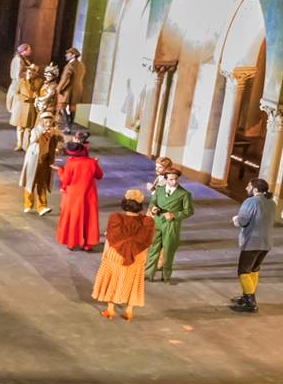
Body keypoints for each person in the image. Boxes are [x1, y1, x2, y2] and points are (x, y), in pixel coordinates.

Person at [92, 189, 156, 321]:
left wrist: (106, 253)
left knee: (113, 279)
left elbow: (112, 238)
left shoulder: (116, 218)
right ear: (140, 205)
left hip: (116, 254)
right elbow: (146, 241)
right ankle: (129, 311)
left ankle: (110, 310)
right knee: (133, 281)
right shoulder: (148, 221)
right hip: (136, 257)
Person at [231, 177, 278, 313]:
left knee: (243, 271)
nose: (246, 188)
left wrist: (236, 219)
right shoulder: (272, 203)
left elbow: (243, 221)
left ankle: (250, 301)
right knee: (254, 270)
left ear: (255, 189)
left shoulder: (251, 201)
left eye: (248, 186)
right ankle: (246, 296)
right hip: (266, 242)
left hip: (252, 241)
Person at [145, 160, 194, 284]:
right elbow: (153, 201)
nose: (174, 182)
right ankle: (148, 273)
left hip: (171, 225)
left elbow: (189, 211)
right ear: (166, 179)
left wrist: (175, 215)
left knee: (168, 251)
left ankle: (166, 276)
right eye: (171, 179)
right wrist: (153, 208)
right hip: (158, 221)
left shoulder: (184, 194)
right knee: (153, 248)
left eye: (176, 179)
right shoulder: (160, 190)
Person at [56, 135, 104, 251]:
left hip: (73, 195)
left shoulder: (70, 164)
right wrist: (95, 163)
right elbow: (99, 176)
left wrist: (60, 170)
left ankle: (72, 242)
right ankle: (87, 244)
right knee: (88, 218)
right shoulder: (91, 162)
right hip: (89, 195)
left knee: (74, 218)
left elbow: (65, 180)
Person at [21, 110, 64, 215]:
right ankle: (28, 204)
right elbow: (33, 139)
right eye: (46, 121)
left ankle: (42, 207)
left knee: (42, 183)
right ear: (41, 121)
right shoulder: (36, 130)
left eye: (50, 121)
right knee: (30, 182)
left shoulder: (53, 131)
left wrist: (57, 137)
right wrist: (42, 130)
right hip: (34, 160)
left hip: (45, 161)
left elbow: (61, 141)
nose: (48, 123)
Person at [6, 47, 43, 151]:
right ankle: (19, 143)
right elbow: (17, 89)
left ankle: (25, 145)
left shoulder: (37, 81)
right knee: (20, 126)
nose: (31, 51)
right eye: (28, 50)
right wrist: (23, 97)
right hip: (22, 105)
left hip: (30, 106)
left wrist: (36, 96)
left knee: (28, 127)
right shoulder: (19, 62)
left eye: (33, 72)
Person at [56, 47, 86, 124]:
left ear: (73, 55)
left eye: (68, 54)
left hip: (68, 89)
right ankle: (71, 124)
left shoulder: (69, 66)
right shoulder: (81, 65)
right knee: (73, 107)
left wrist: (58, 89)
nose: (66, 55)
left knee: (61, 106)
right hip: (78, 89)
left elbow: (65, 79)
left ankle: (67, 125)